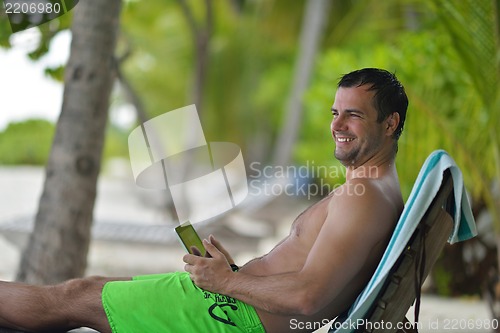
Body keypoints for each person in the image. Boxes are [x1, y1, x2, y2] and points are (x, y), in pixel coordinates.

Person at [0, 68, 408, 333]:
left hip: (230, 319)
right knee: (84, 292)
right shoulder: (374, 190)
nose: (337, 125)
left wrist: (227, 281)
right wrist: (231, 273)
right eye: (335, 113)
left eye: (352, 115)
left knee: (75, 297)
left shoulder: (365, 197)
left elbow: (309, 297)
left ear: (390, 123)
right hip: (235, 305)